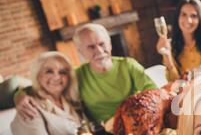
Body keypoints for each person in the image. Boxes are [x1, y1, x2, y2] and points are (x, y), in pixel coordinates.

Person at [15, 23, 157, 125]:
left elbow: (153, 91)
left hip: (139, 122)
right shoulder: (77, 75)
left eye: (102, 44)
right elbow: (38, 86)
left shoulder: (128, 65)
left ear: (110, 44)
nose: (99, 51)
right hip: (105, 132)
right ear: (81, 52)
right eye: (91, 47)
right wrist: (19, 96)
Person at [10, 52, 83, 135]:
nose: (57, 77)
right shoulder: (28, 108)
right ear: (38, 75)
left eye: (62, 72)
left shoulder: (68, 100)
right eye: (49, 71)